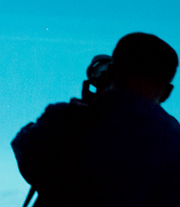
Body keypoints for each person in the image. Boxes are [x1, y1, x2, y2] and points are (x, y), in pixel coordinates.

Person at [12, 32, 180, 207]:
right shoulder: (174, 140)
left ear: (109, 74)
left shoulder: (65, 118)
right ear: (167, 93)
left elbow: (25, 148)